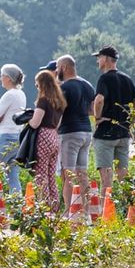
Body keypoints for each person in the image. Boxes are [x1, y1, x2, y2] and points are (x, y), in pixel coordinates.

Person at [90, 46, 135, 202]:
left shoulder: (104, 79)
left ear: (106, 59)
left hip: (105, 134)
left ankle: (106, 210)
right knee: (123, 175)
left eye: (99, 57)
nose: (97, 61)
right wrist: (128, 124)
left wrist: (97, 118)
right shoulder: (127, 79)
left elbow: (99, 100)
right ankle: (129, 208)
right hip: (123, 134)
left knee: (106, 177)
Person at [54, 55, 96, 215]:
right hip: (86, 131)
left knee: (68, 175)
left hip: (69, 133)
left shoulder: (64, 87)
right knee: (82, 173)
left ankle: (68, 212)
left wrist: (53, 130)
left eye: (57, 67)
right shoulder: (87, 85)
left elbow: (59, 112)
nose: (56, 71)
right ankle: (85, 212)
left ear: (64, 67)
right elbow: (93, 110)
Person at [0, 63, 27, 213]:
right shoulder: (21, 94)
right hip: (17, 137)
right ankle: (18, 210)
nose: (0, 78)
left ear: (8, 78)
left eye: (2, 75)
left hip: (6, 137)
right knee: (13, 175)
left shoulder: (9, 95)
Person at [26, 68, 64, 212]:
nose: (36, 87)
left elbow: (35, 123)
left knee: (41, 175)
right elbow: (58, 124)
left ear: (42, 84)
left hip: (43, 137)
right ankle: (54, 207)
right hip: (54, 136)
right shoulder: (59, 102)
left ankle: (44, 208)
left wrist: (27, 120)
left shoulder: (43, 101)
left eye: (37, 84)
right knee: (51, 175)